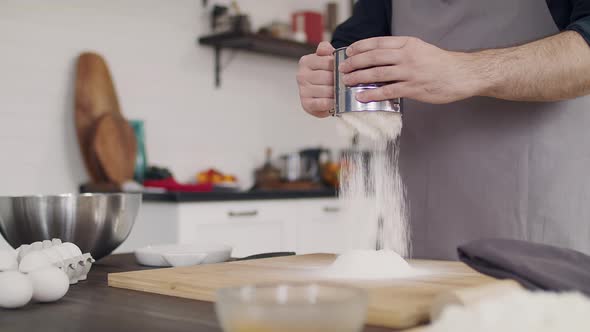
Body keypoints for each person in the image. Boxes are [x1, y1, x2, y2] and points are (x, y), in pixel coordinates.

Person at [297, 0, 590, 259]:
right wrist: (328, 80)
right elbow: (353, 50)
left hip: (540, 241)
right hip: (417, 239)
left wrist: (468, 70)